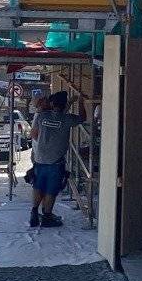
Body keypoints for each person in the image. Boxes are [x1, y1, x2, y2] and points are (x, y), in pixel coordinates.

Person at [29, 88, 85, 228]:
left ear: (52, 104)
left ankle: (34, 213)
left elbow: (34, 135)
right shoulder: (67, 119)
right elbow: (82, 118)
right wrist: (81, 102)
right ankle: (47, 217)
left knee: (38, 185)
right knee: (50, 189)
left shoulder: (42, 116)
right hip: (55, 161)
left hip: (40, 159)